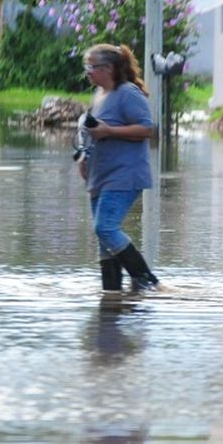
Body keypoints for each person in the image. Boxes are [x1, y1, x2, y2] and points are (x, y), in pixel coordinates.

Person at [76, 43, 160, 294]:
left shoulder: (128, 93)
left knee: (105, 228)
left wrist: (109, 131)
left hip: (125, 175)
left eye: (92, 67)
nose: (87, 72)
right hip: (99, 175)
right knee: (105, 239)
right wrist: (84, 157)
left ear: (109, 68)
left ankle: (148, 281)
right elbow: (95, 133)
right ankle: (111, 295)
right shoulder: (100, 95)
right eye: (86, 67)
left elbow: (146, 129)